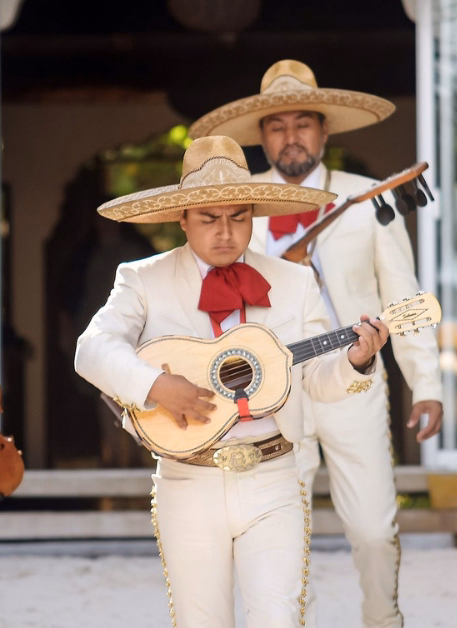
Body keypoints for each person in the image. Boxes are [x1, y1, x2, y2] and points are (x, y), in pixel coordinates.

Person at [74, 135, 389, 627]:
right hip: (188, 480)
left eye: (238, 217)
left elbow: (316, 381)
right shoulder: (142, 279)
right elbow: (91, 349)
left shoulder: (293, 282)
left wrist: (356, 361)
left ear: (253, 215)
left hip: (274, 476)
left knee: (280, 619)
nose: (225, 232)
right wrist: (156, 386)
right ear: (182, 218)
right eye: (208, 218)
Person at [188, 59, 443, 628]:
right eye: (277, 127)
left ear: (324, 131)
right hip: (274, 397)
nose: (291, 136)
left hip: (353, 383)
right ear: (263, 137)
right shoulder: (239, 204)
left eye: (303, 124)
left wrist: (426, 383)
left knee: (376, 531)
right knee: (279, 539)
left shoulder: (367, 198)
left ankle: (385, 620)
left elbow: (404, 295)